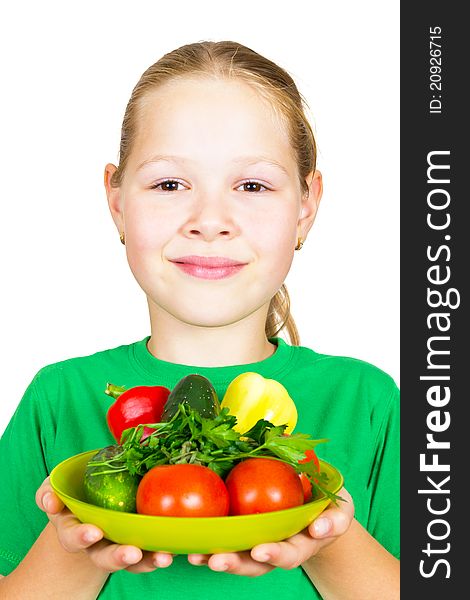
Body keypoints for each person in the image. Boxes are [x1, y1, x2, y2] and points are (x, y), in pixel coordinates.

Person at [0, 40, 400, 599]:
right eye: (169, 184)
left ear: (306, 206)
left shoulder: (370, 402)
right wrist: (82, 539)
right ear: (116, 201)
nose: (210, 221)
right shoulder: (57, 398)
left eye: (253, 186)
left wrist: (327, 533)